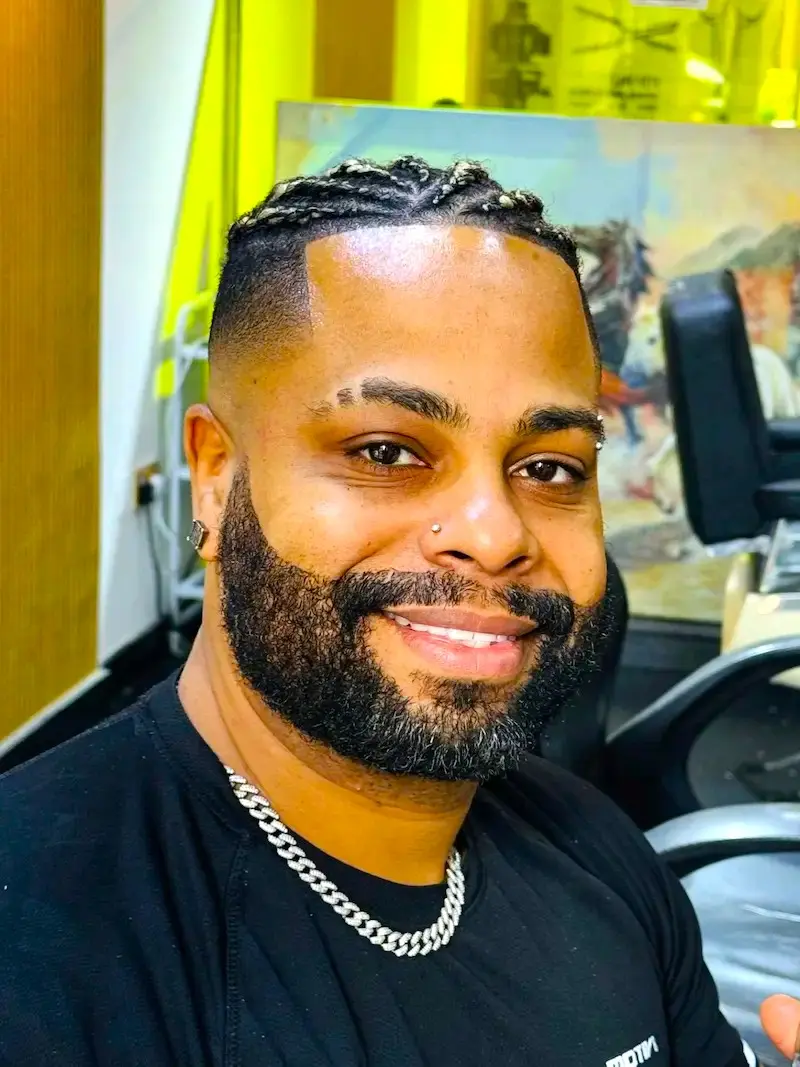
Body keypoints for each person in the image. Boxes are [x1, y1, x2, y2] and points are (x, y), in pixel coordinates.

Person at [0, 156, 797, 1066]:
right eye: (386, 451)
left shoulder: (600, 855)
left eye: (550, 468)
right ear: (217, 477)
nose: (496, 535)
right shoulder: (39, 955)